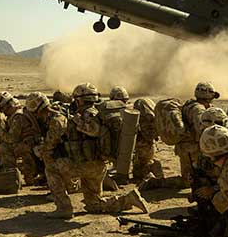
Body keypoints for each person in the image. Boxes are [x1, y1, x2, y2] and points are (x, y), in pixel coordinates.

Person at [43, 82, 149, 219]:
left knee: (51, 169)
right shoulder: (96, 112)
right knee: (93, 205)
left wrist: (75, 121)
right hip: (98, 167)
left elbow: (93, 130)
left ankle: (64, 207)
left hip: (84, 164)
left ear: (80, 99)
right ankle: (128, 199)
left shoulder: (90, 114)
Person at [174, 81, 220, 187]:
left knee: (191, 178)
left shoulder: (190, 105)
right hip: (192, 149)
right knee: (190, 181)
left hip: (187, 147)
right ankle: (157, 182)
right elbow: (202, 129)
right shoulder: (198, 109)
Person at [132, 98, 163, 182]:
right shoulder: (150, 117)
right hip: (145, 146)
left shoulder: (143, 118)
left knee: (142, 164)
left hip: (144, 146)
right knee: (140, 167)